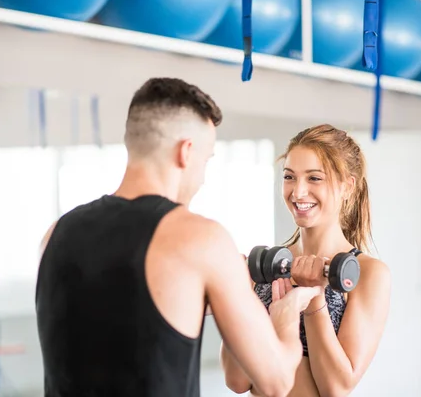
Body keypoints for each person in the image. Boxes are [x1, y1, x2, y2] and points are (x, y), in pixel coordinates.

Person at [35, 77, 323, 397]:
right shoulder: (200, 240)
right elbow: (277, 381)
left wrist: (215, 292)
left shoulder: (55, 234)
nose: (202, 178)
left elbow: (117, 323)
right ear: (186, 152)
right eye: (206, 160)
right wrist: (286, 313)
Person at [220, 124, 391, 397]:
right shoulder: (267, 266)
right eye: (290, 177)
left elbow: (335, 387)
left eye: (314, 178)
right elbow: (236, 380)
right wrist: (238, 295)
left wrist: (314, 299)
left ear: (347, 186)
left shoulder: (368, 273)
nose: (298, 192)